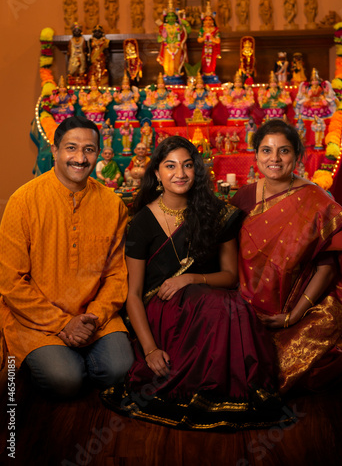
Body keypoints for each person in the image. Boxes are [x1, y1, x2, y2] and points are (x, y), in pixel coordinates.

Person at [101, 136, 292, 431]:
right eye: (170, 166)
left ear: (197, 170)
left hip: (207, 297)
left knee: (234, 306)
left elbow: (230, 277)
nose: (180, 173)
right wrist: (150, 349)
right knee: (217, 307)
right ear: (157, 174)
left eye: (188, 165)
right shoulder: (141, 222)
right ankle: (211, 390)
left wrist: (190, 278)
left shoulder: (215, 213)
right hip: (161, 309)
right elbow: (135, 295)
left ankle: (239, 392)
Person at [0, 116, 134, 398]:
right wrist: (63, 323)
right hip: (35, 319)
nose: (80, 158)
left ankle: (76, 353)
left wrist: (93, 317)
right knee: (66, 380)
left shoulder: (112, 204)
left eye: (89, 149)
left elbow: (117, 275)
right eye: (71, 148)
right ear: (55, 151)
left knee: (120, 369)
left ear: (98, 153)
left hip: (94, 317)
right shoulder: (23, 202)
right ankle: (57, 359)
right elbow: (11, 282)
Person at [231, 119, 342, 394]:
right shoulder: (243, 197)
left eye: (284, 151)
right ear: (255, 154)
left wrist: (292, 316)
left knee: (282, 366)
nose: (275, 159)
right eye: (266, 150)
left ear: (297, 156)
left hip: (298, 307)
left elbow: (327, 268)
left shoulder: (318, 201)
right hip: (244, 306)